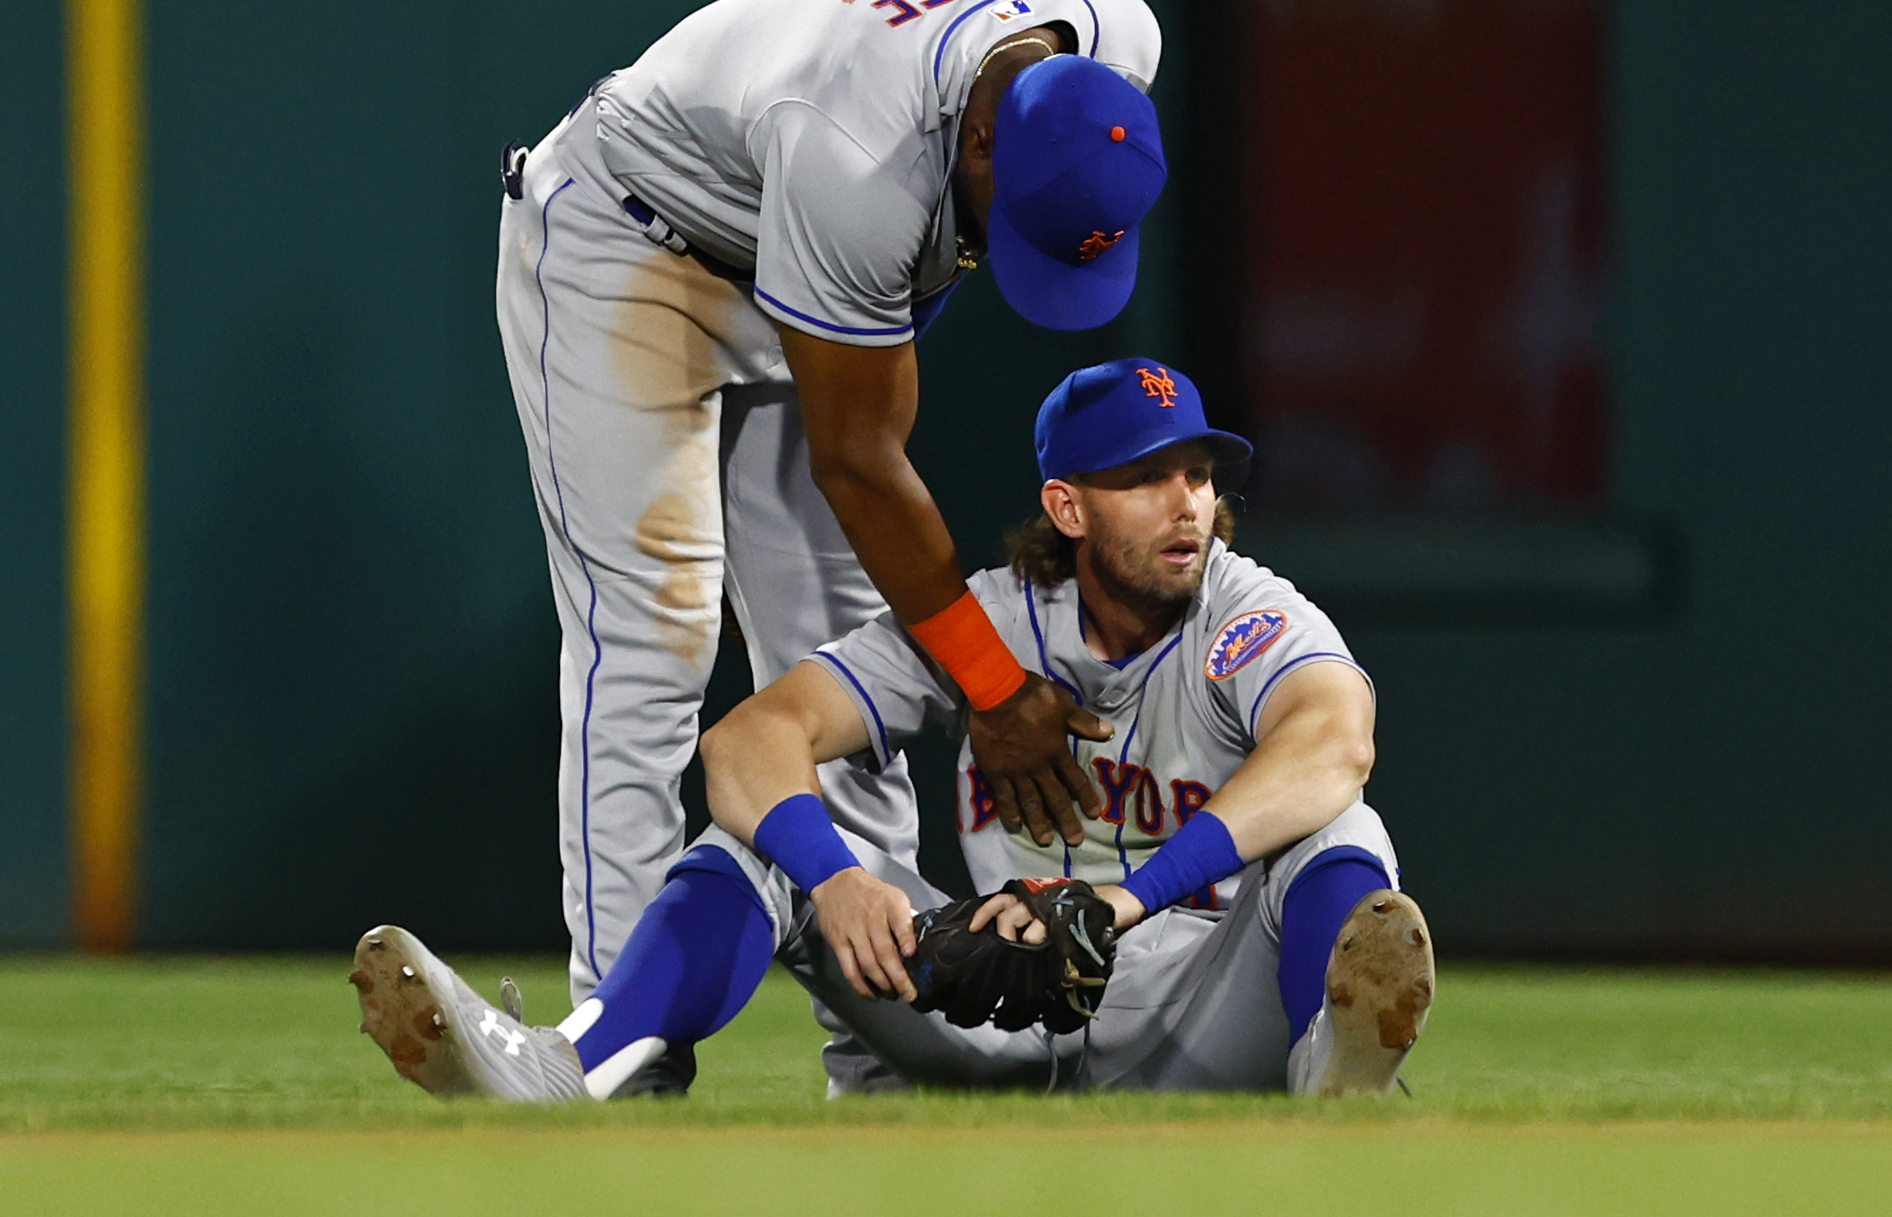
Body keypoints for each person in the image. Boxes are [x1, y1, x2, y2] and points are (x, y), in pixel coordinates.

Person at [353, 360, 1435, 1097]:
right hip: (995, 1003)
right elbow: (745, 741)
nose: (1187, 502)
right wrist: (834, 874)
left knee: (1346, 838)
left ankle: (1330, 1088)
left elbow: (1333, 742)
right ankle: (570, 1066)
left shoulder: (1246, 613)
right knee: (765, 837)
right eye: (1145, 477)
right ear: (1068, 508)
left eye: (1196, 474)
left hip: (1206, 1013)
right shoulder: (989, 623)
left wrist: (1120, 899)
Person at [493, 0, 1169, 1091]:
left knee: (838, 669)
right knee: (652, 639)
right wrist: (993, 688)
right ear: (977, 135)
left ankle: (883, 1054)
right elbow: (861, 461)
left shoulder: (1118, 36)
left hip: (791, 247)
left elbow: (868, 428)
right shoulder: (862, 149)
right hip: (633, 236)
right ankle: (618, 1056)